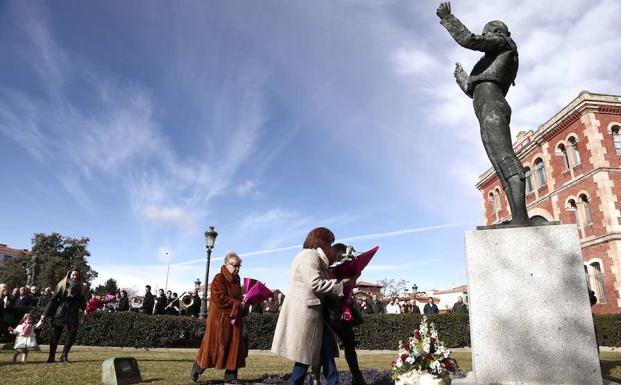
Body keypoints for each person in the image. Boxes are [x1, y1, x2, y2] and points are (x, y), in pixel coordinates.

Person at [437, 2, 529, 225]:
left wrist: (448, 18)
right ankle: (518, 216)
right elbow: (472, 89)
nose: (485, 35)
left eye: (488, 32)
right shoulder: (492, 59)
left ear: (496, 32)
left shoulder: (503, 43)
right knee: (498, 161)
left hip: (493, 104)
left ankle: (522, 217)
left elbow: (470, 40)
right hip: (484, 106)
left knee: (504, 157)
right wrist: (462, 77)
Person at [271, 227, 354, 385]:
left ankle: (332, 381)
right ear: (321, 243)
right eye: (330, 243)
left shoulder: (316, 259)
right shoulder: (309, 256)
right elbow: (315, 284)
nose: (331, 247)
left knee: (320, 354)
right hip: (307, 314)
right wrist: (342, 285)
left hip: (315, 315)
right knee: (305, 357)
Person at [312, 243, 366, 385]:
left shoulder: (344, 268)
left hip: (344, 311)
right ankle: (315, 377)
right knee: (322, 346)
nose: (342, 257)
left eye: (344, 255)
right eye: (340, 254)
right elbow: (324, 285)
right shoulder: (326, 266)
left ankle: (356, 376)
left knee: (349, 344)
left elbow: (349, 285)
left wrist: (355, 275)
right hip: (330, 311)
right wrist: (344, 281)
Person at [192, 252, 247, 383]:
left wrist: (244, 302)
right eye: (234, 265)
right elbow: (219, 298)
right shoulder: (219, 278)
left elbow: (237, 298)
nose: (237, 268)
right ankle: (197, 367)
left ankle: (231, 376)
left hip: (234, 319)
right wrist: (237, 304)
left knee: (234, 348)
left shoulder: (237, 280)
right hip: (219, 320)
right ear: (226, 264)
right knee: (213, 348)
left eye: (239, 266)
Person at [41, 269, 87, 363]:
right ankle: (51, 357)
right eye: (73, 275)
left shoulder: (80, 286)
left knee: (72, 333)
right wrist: (44, 314)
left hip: (73, 312)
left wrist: (84, 309)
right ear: (69, 275)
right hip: (61, 310)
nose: (75, 276)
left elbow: (82, 301)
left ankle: (64, 356)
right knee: (56, 335)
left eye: (77, 275)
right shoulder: (62, 284)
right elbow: (53, 300)